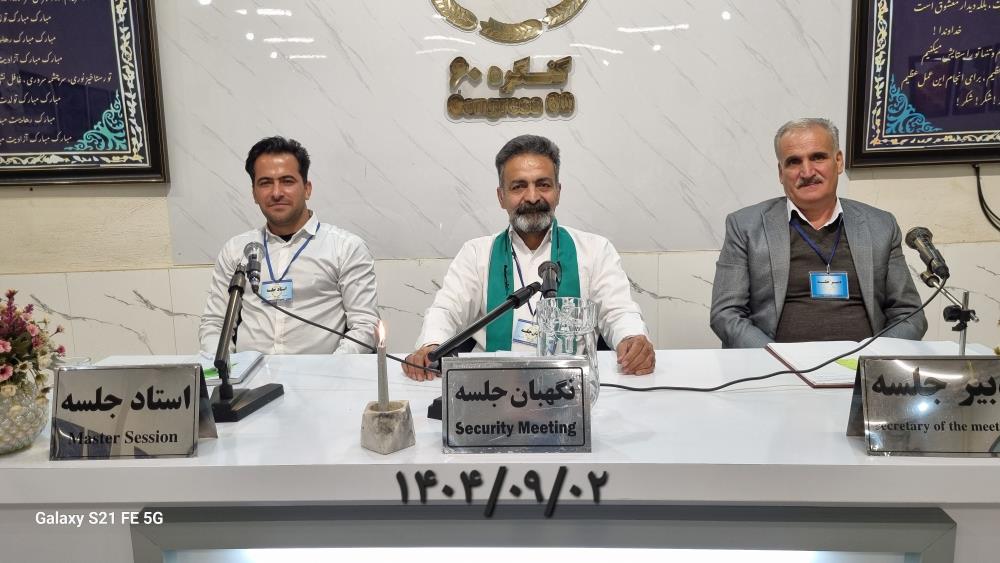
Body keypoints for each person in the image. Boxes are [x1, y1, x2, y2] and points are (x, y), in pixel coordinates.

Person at [403, 134, 654, 380]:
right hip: (490, 388)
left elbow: (618, 312)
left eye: (543, 185)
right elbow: (447, 310)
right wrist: (431, 344)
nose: (532, 197)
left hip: (573, 384)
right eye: (519, 186)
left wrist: (631, 338)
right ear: (501, 196)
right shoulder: (476, 253)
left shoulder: (595, 250)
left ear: (558, 191)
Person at [710, 118, 927, 348]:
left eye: (818, 157)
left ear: (838, 161)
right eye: (794, 162)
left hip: (862, 365)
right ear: (781, 172)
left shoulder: (880, 225)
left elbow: (909, 314)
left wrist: (873, 358)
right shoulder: (745, 226)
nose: (807, 172)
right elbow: (726, 314)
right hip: (776, 364)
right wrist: (773, 358)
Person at [199, 136, 379, 354]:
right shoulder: (236, 250)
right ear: (254, 193)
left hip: (321, 372)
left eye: (287, 181)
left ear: (307, 189)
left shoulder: (346, 248)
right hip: (248, 373)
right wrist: (227, 369)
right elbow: (215, 323)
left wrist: (331, 368)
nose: (276, 193)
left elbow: (365, 325)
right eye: (265, 183)